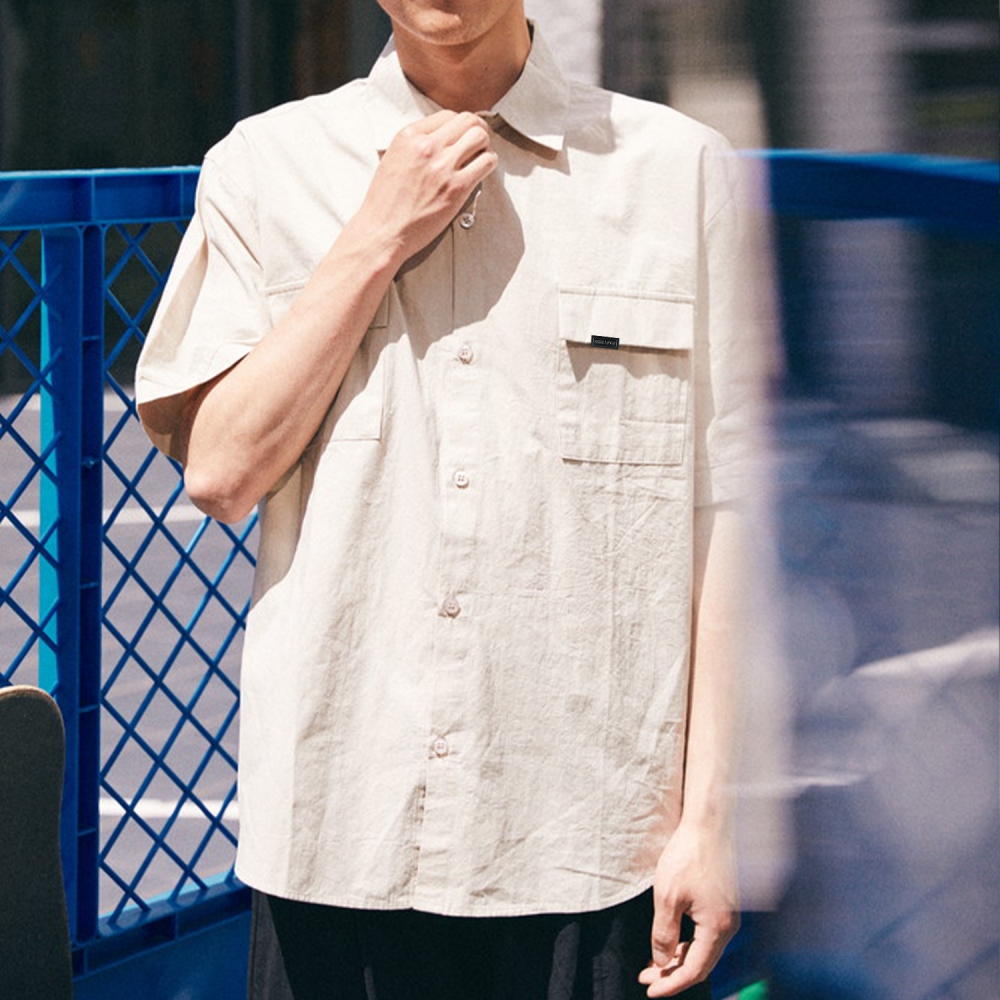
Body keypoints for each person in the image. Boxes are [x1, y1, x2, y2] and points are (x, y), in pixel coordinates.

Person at [136, 2, 760, 997]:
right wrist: (373, 236)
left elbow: (728, 514)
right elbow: (218, 470)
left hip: (594, 845)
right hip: (341, 834)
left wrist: (712, 821)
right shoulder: (264, 164)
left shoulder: (679, 172)